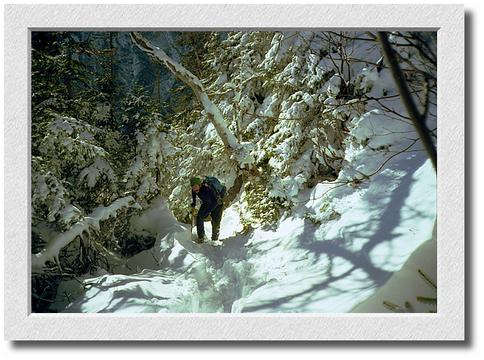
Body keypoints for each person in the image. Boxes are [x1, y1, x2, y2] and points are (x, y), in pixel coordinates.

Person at [190, 176, 224, 243]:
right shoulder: (194, 190)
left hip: (217, 204)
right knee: (199, 217)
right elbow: (193, 194)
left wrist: (207, 213)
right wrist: (193, 203)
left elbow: (215, 202)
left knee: (215, 222)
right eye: (193, 186)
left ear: (200, 185)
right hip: (206, 203)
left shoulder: (207, 189)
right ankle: (201, 238)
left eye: (196, 186)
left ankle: (215, 239)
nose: (195, 188)